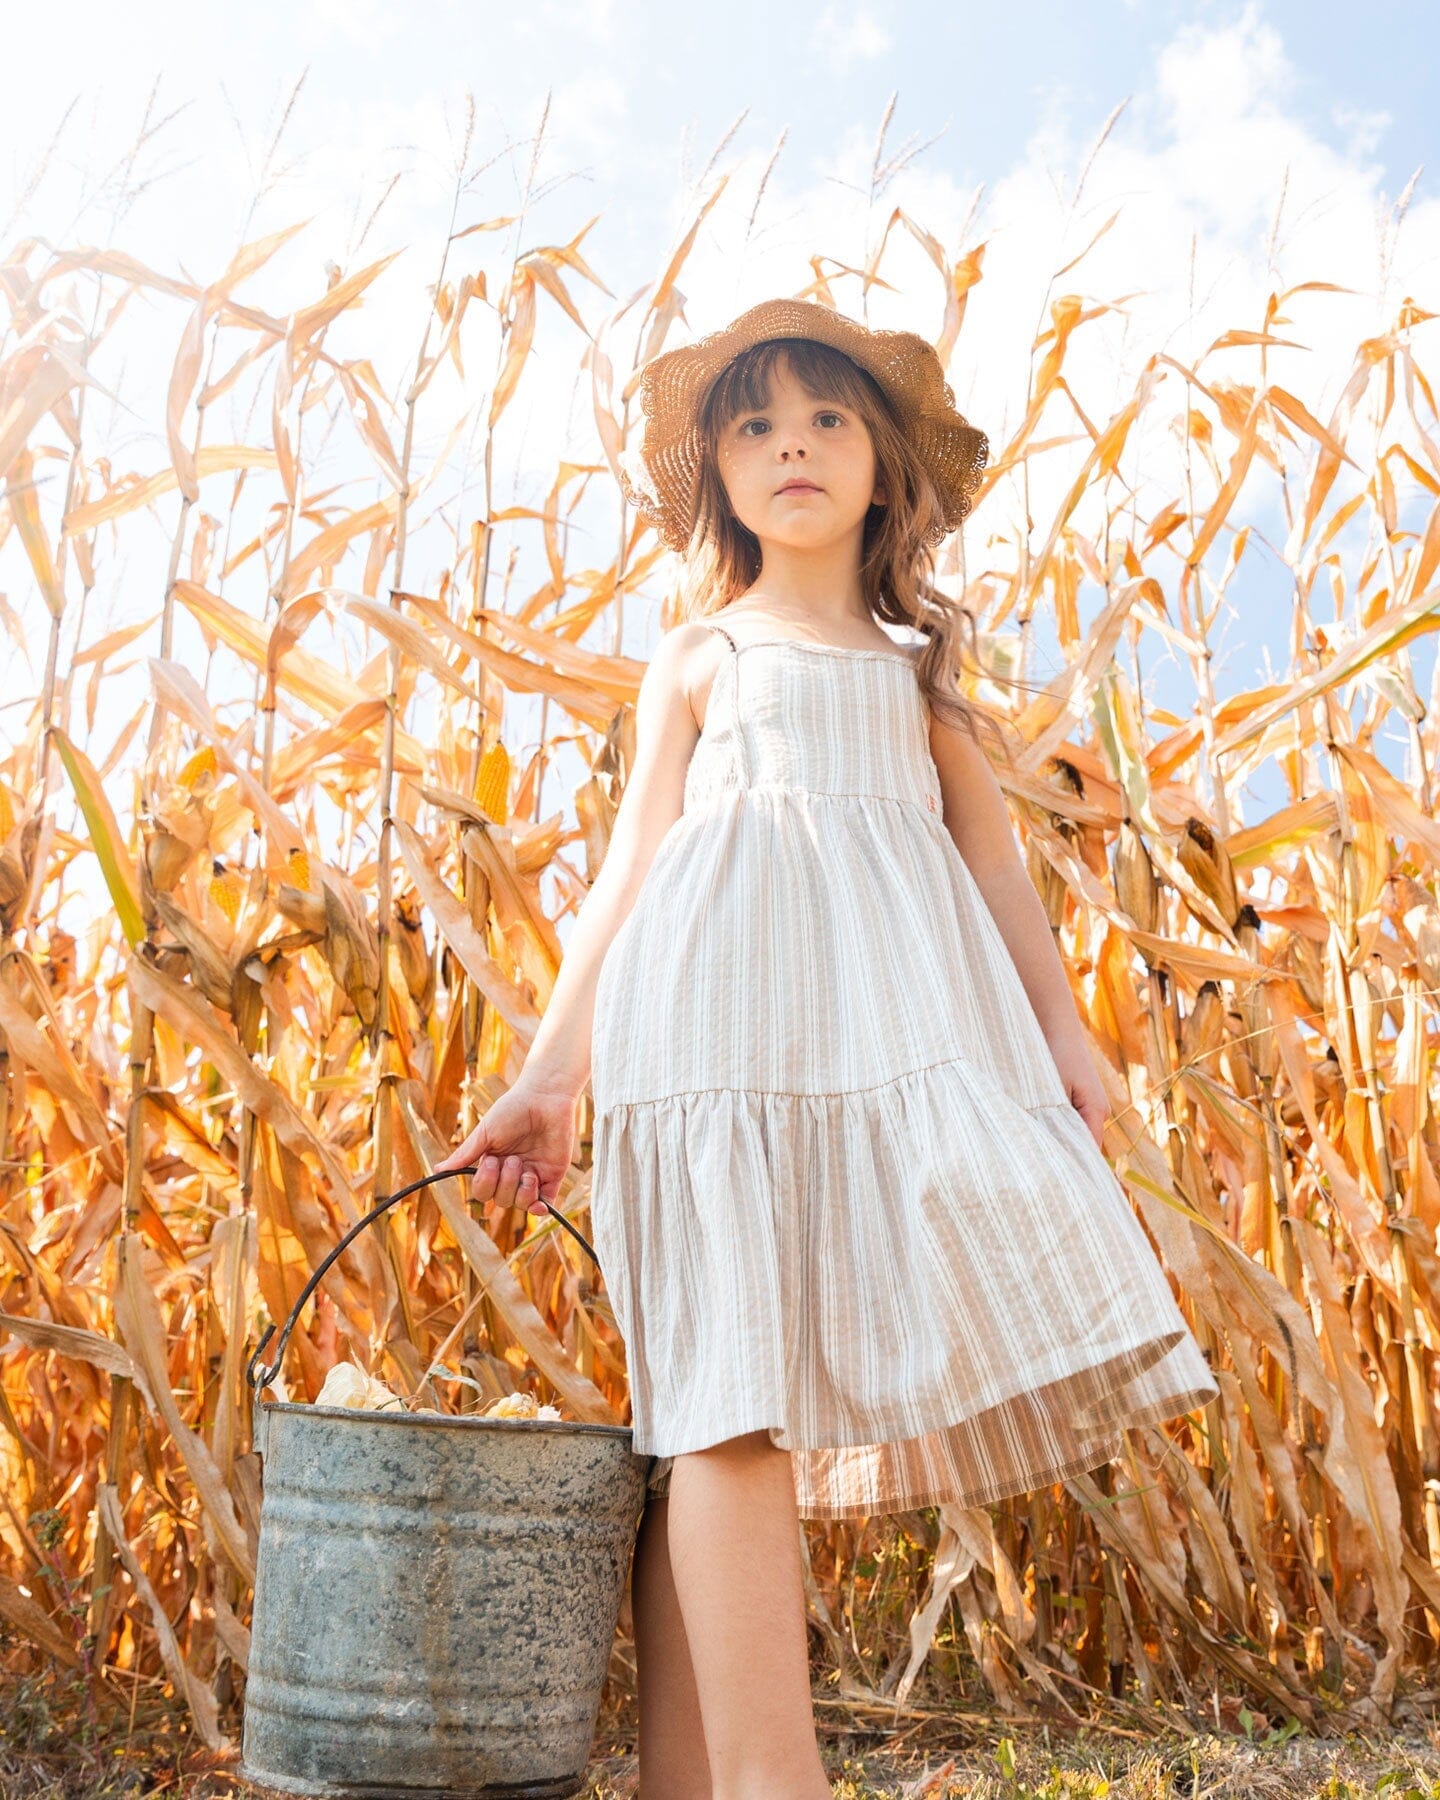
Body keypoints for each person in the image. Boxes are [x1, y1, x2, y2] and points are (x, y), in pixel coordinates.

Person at [439, 297, 1219, 1798]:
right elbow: (627, 873)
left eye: (825, 420)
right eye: (754, 425)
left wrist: (1068, 1042)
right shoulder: (698, 657)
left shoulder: (917, 674)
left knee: (726, 1410)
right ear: (720, 479)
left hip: (882, 1046)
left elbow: (995, 869)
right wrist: (552, 1074)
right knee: (727, 1397)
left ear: (881, 472)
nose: (791, 445)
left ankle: (692, 1782)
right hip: (712, 1039)